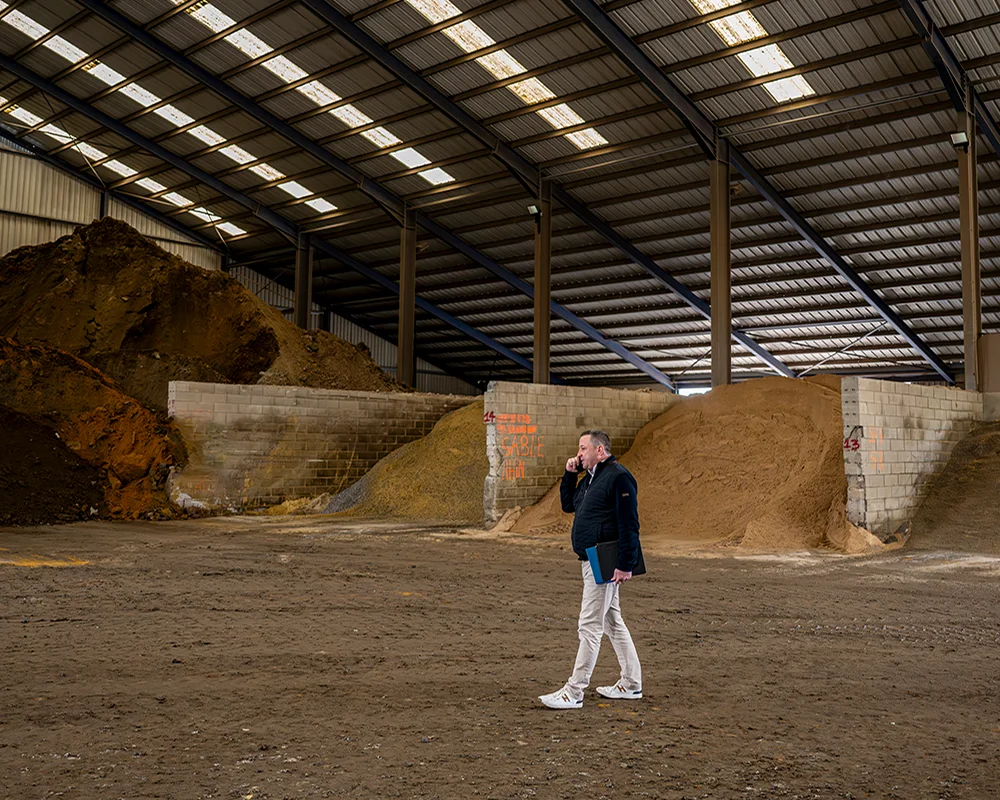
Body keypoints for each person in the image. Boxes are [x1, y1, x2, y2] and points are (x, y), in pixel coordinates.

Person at [538, 429, 643, 710]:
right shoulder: (591, 479)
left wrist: (625, 564)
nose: (579, 454)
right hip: (592, 559)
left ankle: (574, 690)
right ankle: (632, 683)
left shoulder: (618, 476)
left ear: (599, 450)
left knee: (590, 625)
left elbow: (629, 523)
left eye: (583, 449)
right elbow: (568, 505)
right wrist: (570, 474)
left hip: (605, 561)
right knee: (611, 622)